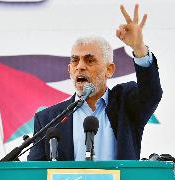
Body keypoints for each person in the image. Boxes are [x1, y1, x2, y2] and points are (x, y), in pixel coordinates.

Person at [27, 4, 162, 161]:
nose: (80, 67)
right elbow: (35, 173)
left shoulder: (126, 105)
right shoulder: (48, 119)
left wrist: (139, 49)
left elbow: (151, 94)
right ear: (69, 69)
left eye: (89, 60)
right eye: (75, 61)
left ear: (109, 70)